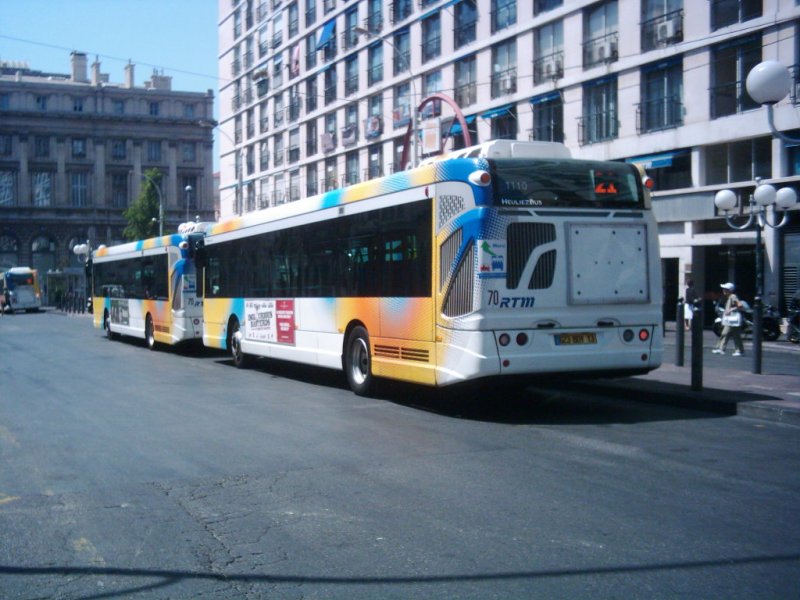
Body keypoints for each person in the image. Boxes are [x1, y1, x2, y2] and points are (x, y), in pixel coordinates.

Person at [713, 282, 744, 356]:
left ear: (730, 290)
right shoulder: (729, 297)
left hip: (732, 319)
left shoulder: (733, 296)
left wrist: (731, 309)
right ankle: (739, 350)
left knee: (725, 333)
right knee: (735, 335)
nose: (723, 290)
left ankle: (721, 349)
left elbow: (740, 305)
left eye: (725, 289)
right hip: (731, 320)